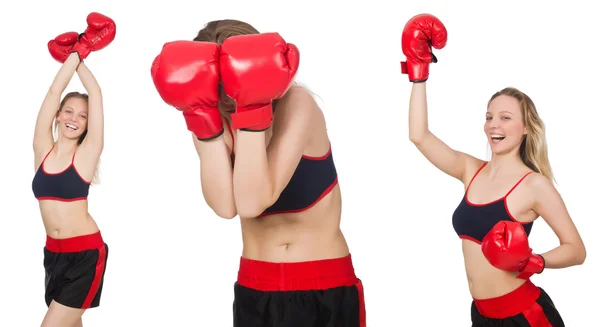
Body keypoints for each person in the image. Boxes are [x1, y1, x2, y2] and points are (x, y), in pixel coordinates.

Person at [151, 19, 366, 327]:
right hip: (256, 283)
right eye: (218, 82)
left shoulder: (298, 104)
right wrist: (202, 119)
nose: (226, 95)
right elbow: (226, 207)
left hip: (322, 282)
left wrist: (252, 103)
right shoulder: (208, 116)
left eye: (233, 76)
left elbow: (253, 202)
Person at [402, 13, 586, 326]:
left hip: (525, 315)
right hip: (482, 315)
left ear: (526, 128)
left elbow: (576, 250)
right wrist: (418, 72)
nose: (494, 125)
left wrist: (534, 262)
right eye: (489, 117)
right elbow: (419, 136)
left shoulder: (534, 186)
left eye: (505, 117)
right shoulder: (470, 170)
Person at [33, 12, 115, 327]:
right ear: (57, 116)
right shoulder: (42, 148)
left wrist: (80, 54)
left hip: (86, 256)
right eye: (68, 111)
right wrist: (73, 56)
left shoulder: (87, 154)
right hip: (53, 256)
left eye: (81, 116)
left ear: (86, 125)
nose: (73, 118)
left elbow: (95, 94)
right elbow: (54, 93)